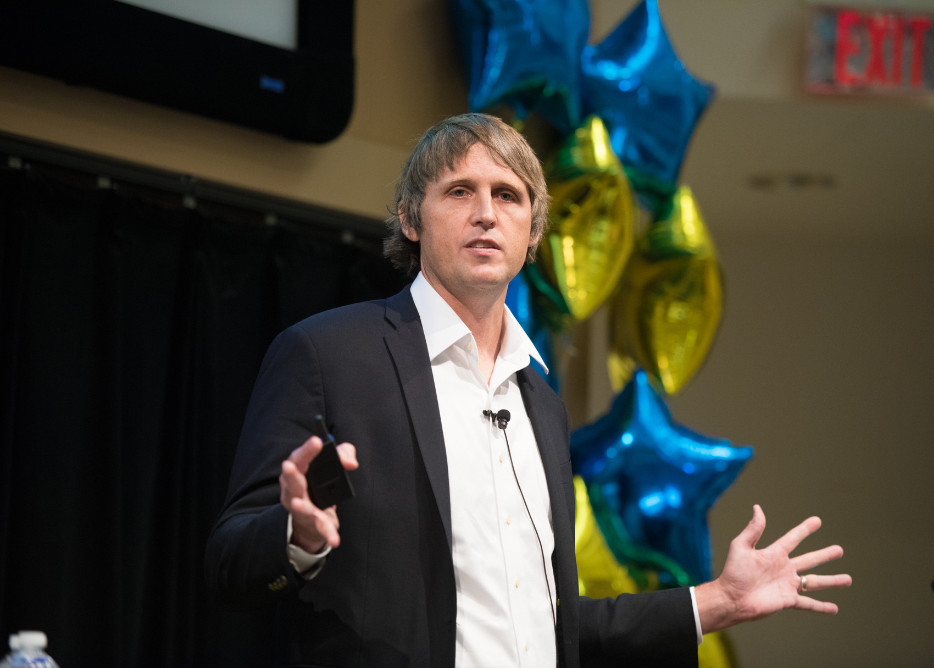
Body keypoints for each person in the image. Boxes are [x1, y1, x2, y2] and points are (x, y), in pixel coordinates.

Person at [205, 113, 851, 667]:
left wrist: (718, 601)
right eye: (460, 191)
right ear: (409, 218)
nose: (486, 213)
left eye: (508, 196)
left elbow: (553, 628)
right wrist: (299, 536)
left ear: (534, 234)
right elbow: (230, 564)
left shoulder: (540, 401)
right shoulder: (330, 354)